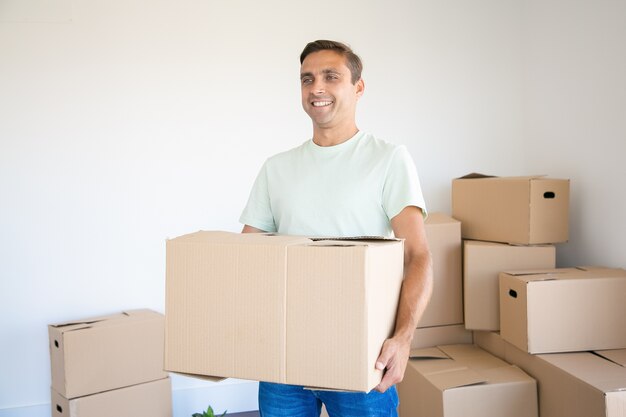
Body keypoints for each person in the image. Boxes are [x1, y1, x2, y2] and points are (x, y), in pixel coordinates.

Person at [239, 40, 433, 417]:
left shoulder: (388, 159)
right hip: (284, 356)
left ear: (358, 88)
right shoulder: (276, 168)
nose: (317, 88)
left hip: (362, 353)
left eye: (331, 77)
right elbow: (248, 256)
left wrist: (403, 339)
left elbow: (418, 255)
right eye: (307, 79)